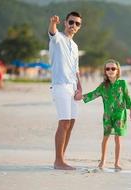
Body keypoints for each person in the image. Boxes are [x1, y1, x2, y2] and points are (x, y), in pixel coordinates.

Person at [82, 59, 131, 170]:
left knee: (117, 138)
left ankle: (117, 162)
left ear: (117, 70)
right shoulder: (103, 86)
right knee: (105, 137)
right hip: (107, 115)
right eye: (108, 69)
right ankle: (103, 160)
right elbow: (93, 94)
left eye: (113, 68)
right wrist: (81, 97)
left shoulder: (122, 83)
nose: (110, 70)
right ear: (105, 71)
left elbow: (127, 97)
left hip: (120, 115)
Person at [48, 11, 83, 170]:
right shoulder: (58, 39)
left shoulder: (75, 46)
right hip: (60, 85)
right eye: (71, 22)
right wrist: (53, 23)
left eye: (77, 24)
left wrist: (80, 87)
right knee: (64, 122)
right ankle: (58, 161)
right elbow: (52, 32)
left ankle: (62, 157)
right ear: (65, 23)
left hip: (73, 87)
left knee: (72, 122)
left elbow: (76, 70)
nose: (73, 26)